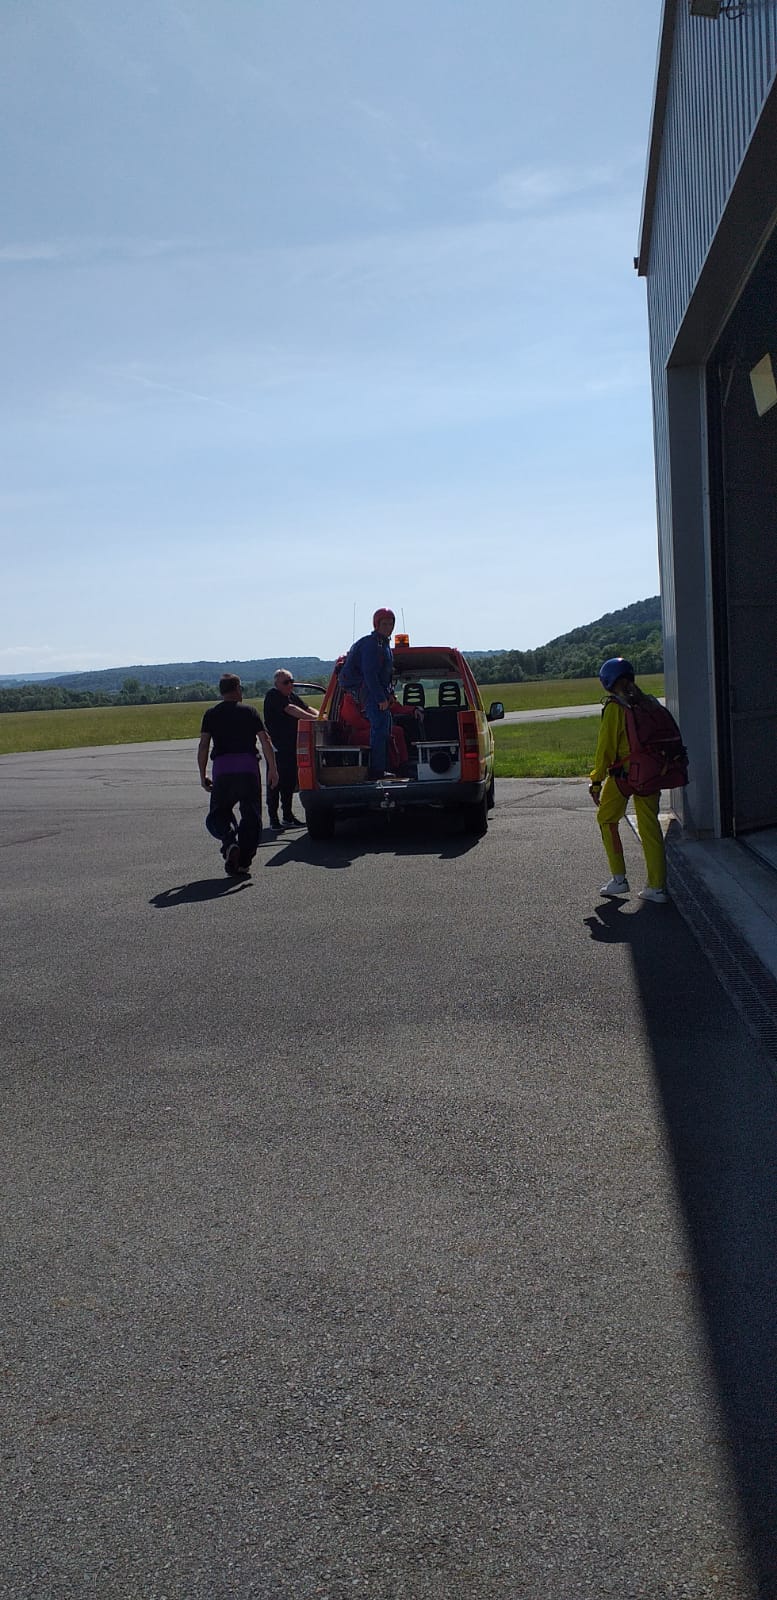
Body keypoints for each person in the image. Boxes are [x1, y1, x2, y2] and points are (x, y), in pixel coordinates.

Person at [589, 657, 668, 904]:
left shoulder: (615, 707)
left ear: (607, 682)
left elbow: (605, 749)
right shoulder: (649, 703)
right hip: (652, 773)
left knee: (606, 819)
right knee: (650, 829)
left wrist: (596, 781)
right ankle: (656, 887)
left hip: (624, 776)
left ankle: (619, 879)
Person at [198, 673, 278, 876]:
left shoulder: (211, 714)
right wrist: (273, 769)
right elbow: (265, 741)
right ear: (237, 689)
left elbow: (204, 745)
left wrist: (202, 774)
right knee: (251, 816)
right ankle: (243, 861)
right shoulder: (250, 711)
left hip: (223, 770)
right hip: (248, 769)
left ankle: (229, 841)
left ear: (221, 691)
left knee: (218, 814)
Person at [338, 608, 400, 779]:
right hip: (368, 690)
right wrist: (380, 698)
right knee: (379, 728)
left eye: (391, 624)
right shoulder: (372, 644)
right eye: (384, 624)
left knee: (385, 728)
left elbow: (385, 675)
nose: (389, 627)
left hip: (376, 690)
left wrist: (389, 694)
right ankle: (377, 771)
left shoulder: (383, 645)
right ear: (376, 625)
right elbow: (370, 673)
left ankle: (383, 767)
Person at [262, 669, 318, 829]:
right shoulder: (273, 695)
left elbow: (306, 708)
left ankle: (288, 815)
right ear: (277, 684)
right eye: (286, 682)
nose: (290, 685)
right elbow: (291, 710)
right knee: (275, 781)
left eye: (291, 681)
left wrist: (322, 715)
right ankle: (273, 818)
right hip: (277, 748)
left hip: (292, 747)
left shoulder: (292, 696)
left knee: (289, 781)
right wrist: (314, 719)